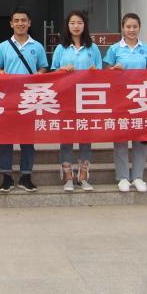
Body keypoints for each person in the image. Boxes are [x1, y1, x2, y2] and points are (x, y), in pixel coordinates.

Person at [0, 8, 48, 193]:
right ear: (11, 24)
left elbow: (44, 67)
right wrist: (1, 72)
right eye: (16, 20)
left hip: (29, 99)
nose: (20, 23)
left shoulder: (37, 46)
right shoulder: (3, 46)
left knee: (27, 140)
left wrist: (39, 74)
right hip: (8, 98)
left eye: (23, 20)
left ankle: (26, 176)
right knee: (5, 139)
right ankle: (6, 176)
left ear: (29, 23)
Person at [104, 12, 147, 193]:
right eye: (128, 26)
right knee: (121, 138)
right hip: (120, 99)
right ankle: (122, 177)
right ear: (122, 28)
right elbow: (105, 72)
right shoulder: (114, 49)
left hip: (142, 99)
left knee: (141, 139)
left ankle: (138, 176)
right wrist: (113, 69)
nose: (131, 30)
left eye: (135, 26)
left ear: (139, 28)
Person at [51, 10, 103, 192]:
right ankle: (68, 177)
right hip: (66, 98)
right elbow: (53, 73)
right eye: (72, 23)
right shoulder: (61, 48)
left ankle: (83, 176)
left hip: (87, 98)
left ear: (85, 25)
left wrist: (95, 71)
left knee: (85, 137)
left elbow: (100, 73)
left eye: (79, 23)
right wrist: (62, 70)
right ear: (67, 25)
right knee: (66, 137)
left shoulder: (93, 48)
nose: (76, 26)